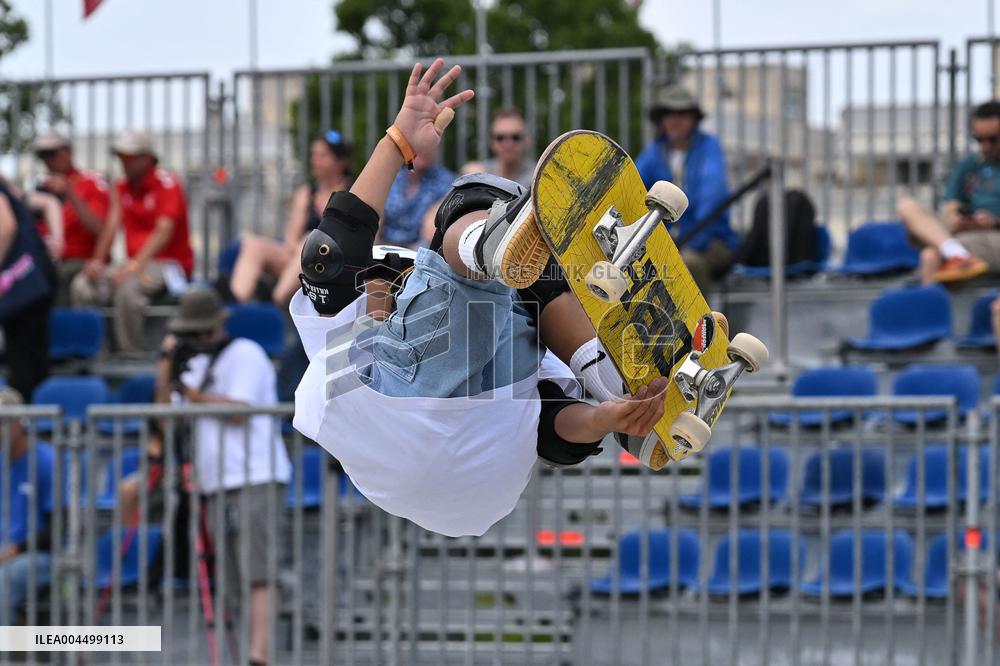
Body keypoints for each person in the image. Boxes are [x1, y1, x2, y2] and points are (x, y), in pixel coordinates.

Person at [292, 58, 673, 539]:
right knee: (477, 197)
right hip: (434, 429)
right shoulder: (352, 329)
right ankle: (493, 247)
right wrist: (397, 141)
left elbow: (551, 428)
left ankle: (608, 381)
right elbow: (332, 251)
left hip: (481, 473)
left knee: (526, 286)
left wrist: (606, 419)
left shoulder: (343, 344)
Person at [157, 287, 290, 666]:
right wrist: (166, 365)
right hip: (214, 483)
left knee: (258, 571)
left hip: (255, 476)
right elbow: (164, 418)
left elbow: (237, 411)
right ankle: (247, 652)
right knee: (232, 579)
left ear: (215, 325)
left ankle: (259, 656)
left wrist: (191, 393)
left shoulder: (246, 353)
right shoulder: (192, 365)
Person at [71, 131, 194, 353]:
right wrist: (97, 261)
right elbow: (111, 227)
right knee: (83, 285)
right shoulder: (121, 187)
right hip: (136, 264)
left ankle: (131, 357)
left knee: (128, 289)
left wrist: (133, 266)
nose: (123, 162)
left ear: (148, 158)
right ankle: (96, 353)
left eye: (129, 157)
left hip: (170, 265)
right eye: (121, 157)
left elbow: (163, 232)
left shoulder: (167, 184)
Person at [229, 130, 353, 305]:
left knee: (311, 240)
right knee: (253, 245)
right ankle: (235, 302)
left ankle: (275, 302)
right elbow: (291, 240)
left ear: (340, 161)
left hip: (337, 263)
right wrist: (296, 252)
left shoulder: (353, 193)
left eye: (322, 155)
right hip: (301, 261)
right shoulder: (307, 193)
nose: (315, 160)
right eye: (314, 155)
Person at [635, 85, 738, 292]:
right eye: (668, 113)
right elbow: (632, 188)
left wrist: (684, 244)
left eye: (682, 113)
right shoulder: (654, 152)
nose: (675, 119)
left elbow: (713, 196)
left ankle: (697, 316)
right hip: (666, 243)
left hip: (712, 241)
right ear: (661, 119)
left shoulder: (709, 147)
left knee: (686, 265)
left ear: (693, 118)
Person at [897, 101, 1000, 284]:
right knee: (906, 206)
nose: (985, 146)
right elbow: (951, 204)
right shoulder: (971, 163)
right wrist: (956, 218)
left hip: (994, 236)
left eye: (992, 139)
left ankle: (954, 254)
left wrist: (994, 221)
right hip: (962, 231)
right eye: (979, 139)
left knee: (930, 255)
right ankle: (956, 253)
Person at [33, 130, 111, 305]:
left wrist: (70, 194)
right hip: (50, 261)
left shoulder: (91, 183)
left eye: (51, 153)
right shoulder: (40, 189)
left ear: (68, 152)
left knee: (57, 275)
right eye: (42, 155)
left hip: (84, 262)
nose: (47, 160)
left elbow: (102, 231)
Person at [0, 387, 54, 625]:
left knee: (4, 581)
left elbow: (57, 528)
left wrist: (15, 549)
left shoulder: (46, 460)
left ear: (18, 423)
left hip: (38, 555)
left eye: (2, 423)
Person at [0, 179, 57, 400]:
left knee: (25, 365)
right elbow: (49, 203)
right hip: (33, 279)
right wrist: (57, 238)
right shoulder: (10, 188)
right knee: (32, 361)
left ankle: (27, 414)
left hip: (25, 283)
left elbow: (6, 227)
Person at [380, 147, 454, 249]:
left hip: (419, 249)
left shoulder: (446, 183)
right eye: (418, 146)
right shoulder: (394, 178)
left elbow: (432, 231)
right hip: (384, 246)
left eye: (428, 147)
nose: (423, 151)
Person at [471, 108, 535, 188]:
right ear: (491, 141)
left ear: (527, 140)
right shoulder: (478, 172)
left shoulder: (537, 178)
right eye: (500, 138)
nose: (508, 144)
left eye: (515, 137)